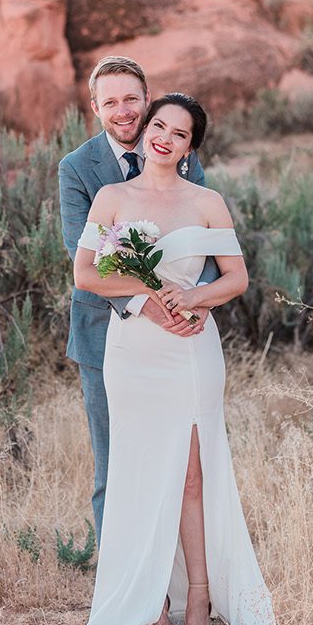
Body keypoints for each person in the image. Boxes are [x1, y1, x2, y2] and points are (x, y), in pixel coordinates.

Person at [71, 92, 280, 625]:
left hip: (191, 348)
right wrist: (148, 292)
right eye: (157, 125)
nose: (163, 137)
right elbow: (86, 274)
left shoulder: (207, 202)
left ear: (191, 147)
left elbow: (235, 279)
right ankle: (144, 601)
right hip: (134, 352)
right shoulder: (112, 197)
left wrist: (194, 296)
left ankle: (201, 602)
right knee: (138, 471)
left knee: (192, 475)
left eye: (179, 133)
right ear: (146, 130)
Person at [58, 56, 218, 548]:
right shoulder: (78, 169)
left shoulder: (180, 153)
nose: (123, 111)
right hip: (106, 337)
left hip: (180, 337)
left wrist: (199, 302)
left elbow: (206, 242)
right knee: (115, 467)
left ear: (147, 100)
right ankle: (120, 598)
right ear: (94, 108)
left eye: (132, 99)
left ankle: (176, 584)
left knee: (181, 464)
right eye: (111, 102)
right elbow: (81, 255)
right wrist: (147, 306)